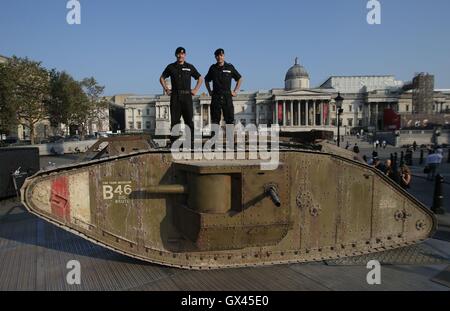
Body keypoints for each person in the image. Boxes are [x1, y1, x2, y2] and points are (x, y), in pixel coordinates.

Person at [160, 47, 203, 143]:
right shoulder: (171, 67)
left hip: (187, 96)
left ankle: (190, 142)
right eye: (179, 54)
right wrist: (166, 89)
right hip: (175, 97)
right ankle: (174, 143)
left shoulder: (190, 67)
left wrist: (196, 89)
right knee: (175, 121)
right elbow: (162, 78)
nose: (180, 55)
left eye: (182, 54)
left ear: (185, 55)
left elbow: (200, 78)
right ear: (176, 55)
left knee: (189, 121)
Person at [205, 48, 243, 126]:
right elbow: (206, 80)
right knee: (215, 120)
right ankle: (214, 138)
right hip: (216, 96)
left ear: (224, 56)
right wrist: (209, 91)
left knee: (229, 120)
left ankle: (229, 138)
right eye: (217, 56)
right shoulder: (212, 68)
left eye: (221, 55)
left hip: (227, 96)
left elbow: (239, 78)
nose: (219, 57)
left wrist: (235, 91)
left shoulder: (230, 67)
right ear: (215, 57)